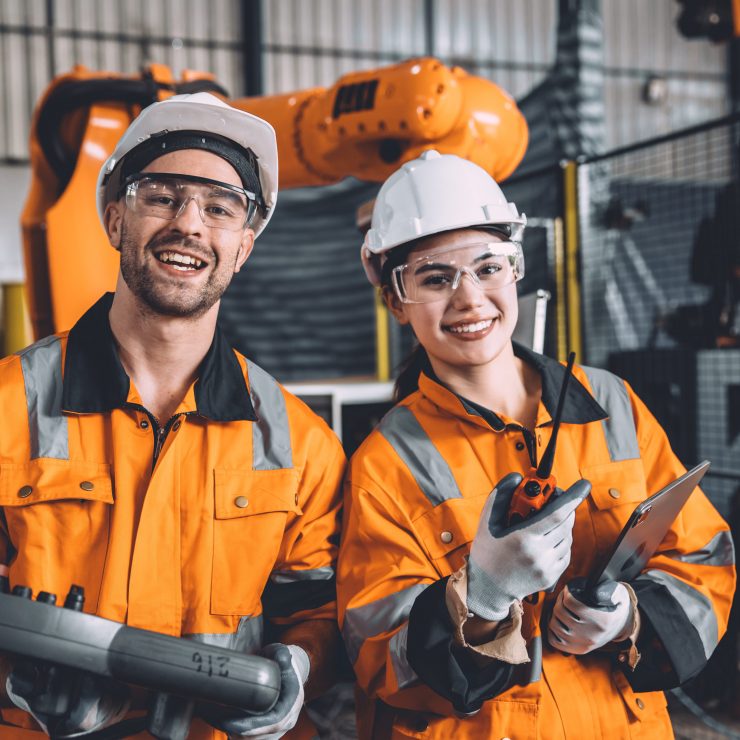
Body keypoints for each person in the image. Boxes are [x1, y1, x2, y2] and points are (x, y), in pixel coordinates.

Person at [337, 150, 736, 739]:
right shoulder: (387, 462)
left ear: (517, 270)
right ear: (397, 300)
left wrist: (627, 617)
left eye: (487, 267)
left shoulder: (609, 402)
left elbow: (705, 560)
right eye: (435, 277)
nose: (469, 298)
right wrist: (483, 598)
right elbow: (380, 655)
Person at [0, 93, 346, 739]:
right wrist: (16, 682)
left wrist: (298, 666)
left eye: (219, 208)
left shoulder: (301, 444)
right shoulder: (5, 407)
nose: (189, 223)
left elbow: (317, 610)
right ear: (114, 220)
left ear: (242, 247)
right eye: (161, 196)